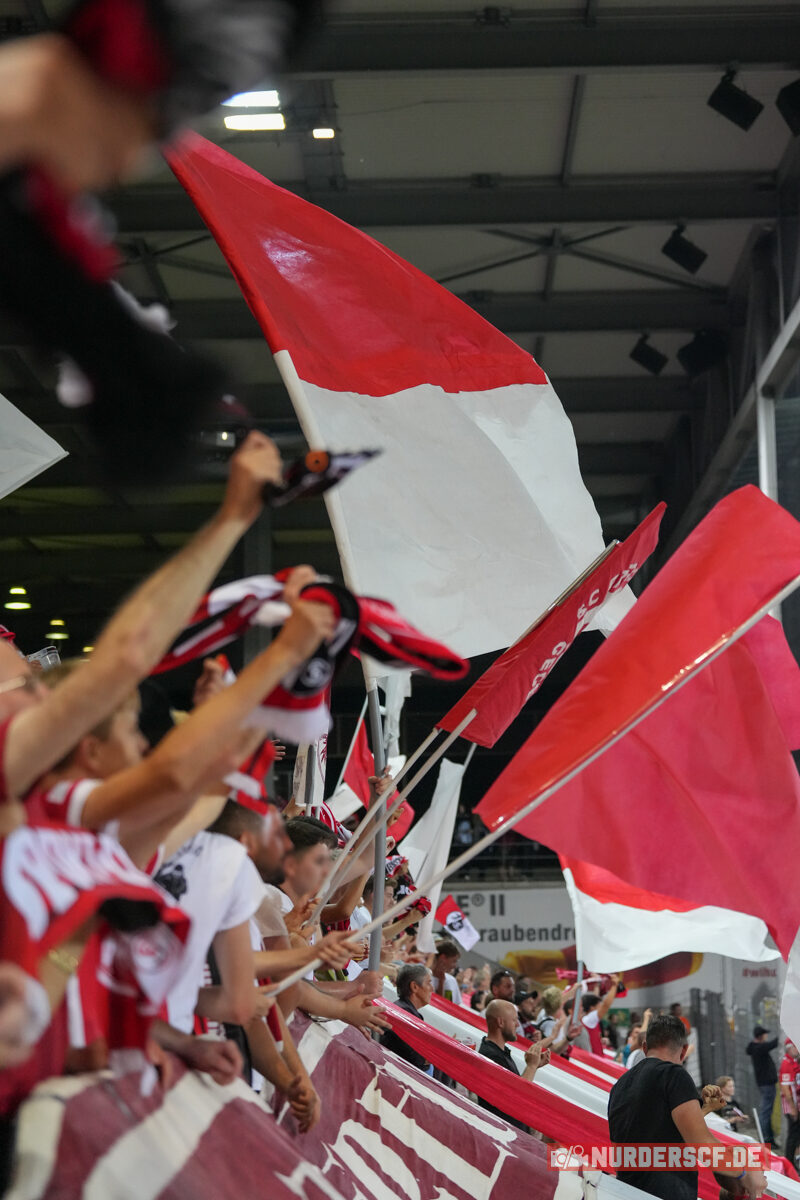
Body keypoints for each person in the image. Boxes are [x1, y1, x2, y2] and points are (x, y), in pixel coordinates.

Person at [609, 1014, 766, 1200]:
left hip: (627, 1192)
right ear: (683, 1051)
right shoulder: (674, 1075)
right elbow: (701, 1144)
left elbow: (651, 1135)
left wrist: (703, 1110)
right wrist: (744, 1173)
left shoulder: (620, 1086)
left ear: (644, 1048)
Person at [477, 998, 549, 1131]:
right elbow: (516, 1097)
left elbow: (513, 1086)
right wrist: (531, 1066)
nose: (517, 1025)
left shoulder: (499, 1052)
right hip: (505, 1133)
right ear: (500, 1022)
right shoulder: (491, 1056)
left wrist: (534, 1066)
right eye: (514, 1020)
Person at [381, 963, 434, 1074]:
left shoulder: (403, 1010)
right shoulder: (404, 1015)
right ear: (414, 986)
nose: (432, 989)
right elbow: (416, 1058)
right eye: (429, 983)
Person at [746, 1024, 779, 1148]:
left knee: (767, 1111)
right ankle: (766, 1140)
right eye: (764, 1034)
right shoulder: (759, 1048)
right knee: (765, 1112)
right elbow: (773, 1044)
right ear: (760, 1036)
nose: (766, 1036)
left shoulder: (755, 1047)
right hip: (767, 1084)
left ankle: (768, 1139)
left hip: (765, 1084)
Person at [780, 1040, 800, 1166]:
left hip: (795, 1103)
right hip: (791, 1105)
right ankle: (789, 1163)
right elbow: (785, 1089)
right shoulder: (786, 1064)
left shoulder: (793, 1062)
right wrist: (793, 1108)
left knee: (796, 1134)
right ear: (790, 1048)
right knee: (793, 1135)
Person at [432, 939, 462, 1005]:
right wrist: (441, 982)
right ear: (443, 957)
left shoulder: (452, 981)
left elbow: (453, 1007)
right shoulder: (423, 976)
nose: (455, 966)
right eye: (454, 961)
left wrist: (441, 982)